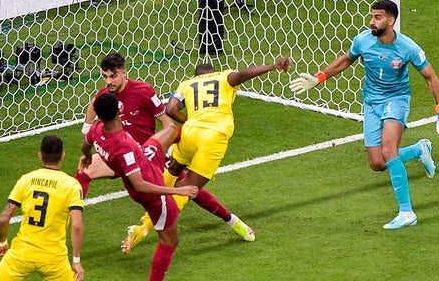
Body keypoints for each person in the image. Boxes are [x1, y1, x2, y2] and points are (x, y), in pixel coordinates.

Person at [289, 0, 439, 230]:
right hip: (371, 102)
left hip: (396, 101)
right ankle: (419, 149)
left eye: (377, 17)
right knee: (377, 163)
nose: (372, 21)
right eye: (372, 16)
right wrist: (319, 77)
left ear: (391, 20)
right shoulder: (363, 40)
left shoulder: (407, 47)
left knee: (388, 150)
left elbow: (430, 76)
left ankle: (407, 212)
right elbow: (346, 60)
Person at [75, 52, 256, 252]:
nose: (109, 81)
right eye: (105, 77)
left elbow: (167, 122)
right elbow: (93, 105)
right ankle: (70, 219)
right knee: (84, 172)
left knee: (190, 190)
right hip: (120, 155)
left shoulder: (143, 91)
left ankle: (231, 220)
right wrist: (86, 130)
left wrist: (167, 147)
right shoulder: (104, 95)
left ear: (124, 73)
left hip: (148, 156)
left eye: (113, 76)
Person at [124, 57, 292, 252]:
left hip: (189, 133)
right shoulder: (223, 76)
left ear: (196, 76)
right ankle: (144, 228)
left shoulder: (187, 83)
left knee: (174, 170)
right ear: (213, 72)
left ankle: (231, 222)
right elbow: (243, 75)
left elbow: (170, 109)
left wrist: (188, 121)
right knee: (187, 189)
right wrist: (273, 66)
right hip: (213, 137)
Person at [80, 92, 199, 281]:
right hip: (149, 186)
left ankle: (199, 136)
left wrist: (86, 158)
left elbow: (85, 145)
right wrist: (178, 190)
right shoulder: (123, 146)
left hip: (145, 157)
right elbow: (141, 186)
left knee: (170, 130)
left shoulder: (97, 128)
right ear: (119, 110)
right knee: (170, 240)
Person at [0, 135, 85, 281]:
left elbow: (4, 218)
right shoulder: (71, 185)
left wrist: (2, 243)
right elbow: (77, 226)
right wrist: (77, 261)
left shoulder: (26, 179)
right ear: (63, 155)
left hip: (22, 253)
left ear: (40, 155)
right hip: (53, 258)